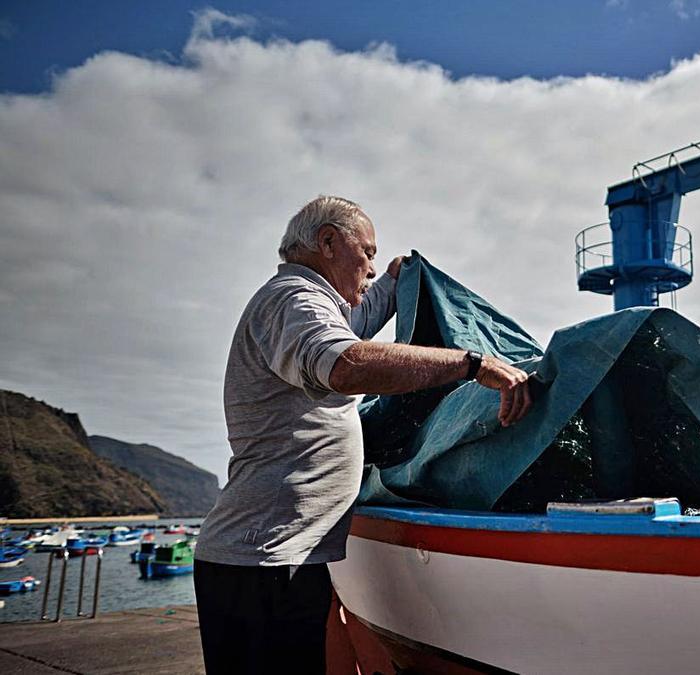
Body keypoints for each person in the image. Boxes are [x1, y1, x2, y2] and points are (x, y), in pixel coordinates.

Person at [192, 195, 532, 673]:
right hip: (262, 566)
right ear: (328, 242)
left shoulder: (311, 304)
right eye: (367, 252)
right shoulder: (293, 300)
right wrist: (473, 364)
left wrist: (394, 279)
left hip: (278, 558)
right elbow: (345, 364)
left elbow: (353, 325)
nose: (371, 266)